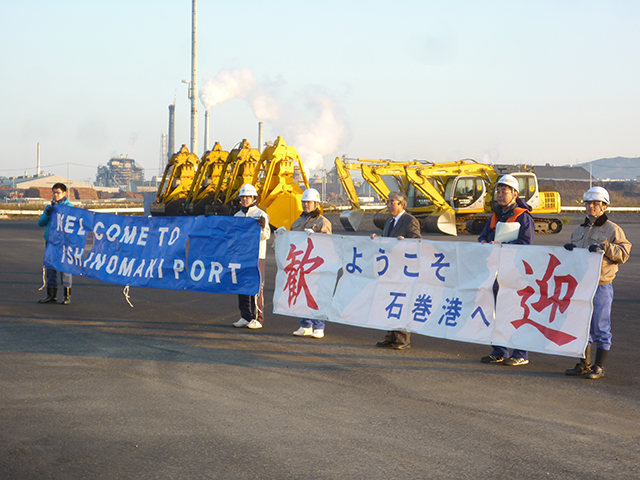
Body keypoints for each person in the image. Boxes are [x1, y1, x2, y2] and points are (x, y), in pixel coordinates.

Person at [563, 186, 631, 380]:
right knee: (581, 326)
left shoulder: (613, 229)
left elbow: (624, 254)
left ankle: (598, 366)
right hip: (581, 285)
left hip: (601, 285)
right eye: (588, 203)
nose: (591, 206)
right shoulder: (579, 230)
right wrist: (569, 250)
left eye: (595, 203)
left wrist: (606, 247)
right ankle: (583, 364)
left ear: (604, 206)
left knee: (600, 327)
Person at [478, 174, 535, 366]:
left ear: (515, 194)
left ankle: (521, 353)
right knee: (497, 311)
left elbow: (526, 243)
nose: (500, 195)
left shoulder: (523, 216)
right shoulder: (494, 216)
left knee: (516, 311)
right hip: (496, 271)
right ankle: (499, 350)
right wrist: (485, 242)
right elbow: (482, 237)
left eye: (505, 191)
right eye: (498, 191)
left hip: (516, 272)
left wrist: (503, 245)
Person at [372, 191, 421, 350]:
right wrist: (377, 239)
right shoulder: (388, 223)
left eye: (393, 202)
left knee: (402, 302)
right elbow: (386, 241)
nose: (389, 205)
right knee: (390, 302)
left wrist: (406, 242)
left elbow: (417, 241)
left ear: (402, 204)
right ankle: (390, 336)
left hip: (403, 269)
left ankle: (402, 339)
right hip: (390, 269)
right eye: (388, 202)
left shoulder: (410, 221)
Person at [290, 188, 333, 339]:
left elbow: (328, 243)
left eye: (308, 202)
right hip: (300, 264)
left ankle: (319, 326)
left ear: (316, 203)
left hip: (315, 265)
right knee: (302, 294)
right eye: (304, 202)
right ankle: (305, 324)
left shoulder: (323, 222)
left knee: (316, 295)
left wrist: (316, 238)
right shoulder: (297, 221)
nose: (306, 204)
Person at [232, 184, 270, 329]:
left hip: (256, 256)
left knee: (256, 286)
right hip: (241, 256)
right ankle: (245, 316)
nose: (245, 199)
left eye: (248, 197)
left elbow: (266, 235)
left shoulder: (261, 215)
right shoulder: (237, 216)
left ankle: (257, 318)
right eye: (243, 197)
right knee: (242, 286)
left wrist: (261, 227)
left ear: (254, 198)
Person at [38, 183, 74, 305]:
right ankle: (51, 295)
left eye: (58, 192)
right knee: (50, 268)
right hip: (50, 242)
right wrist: (47, 213)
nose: (55, 195)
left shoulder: (69, 208)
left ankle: (66, 295)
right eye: (54, 192)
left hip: (63, 242)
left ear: (64, 193)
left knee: (65, 268)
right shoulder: (50, 207)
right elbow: (41, 223)